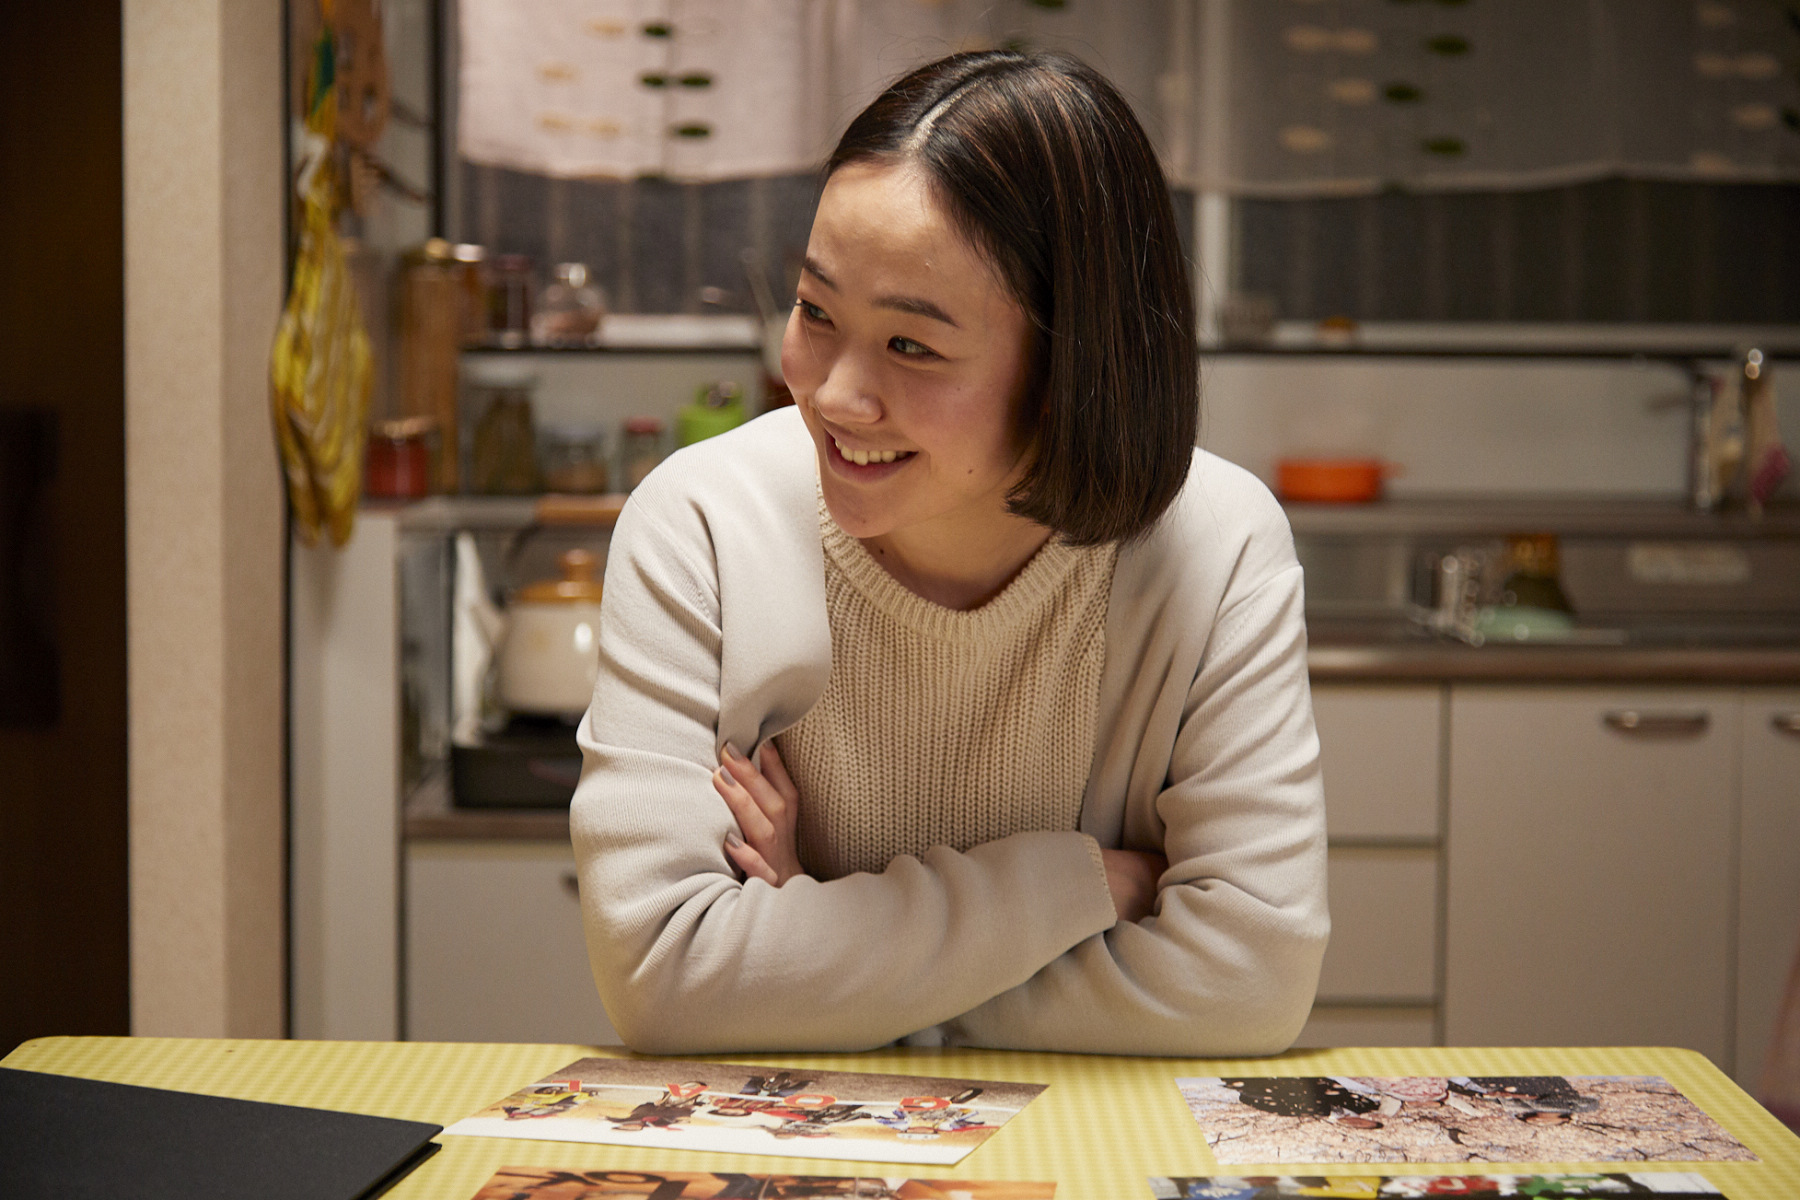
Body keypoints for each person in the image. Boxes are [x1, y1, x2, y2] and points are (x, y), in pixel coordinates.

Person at [569, 49, 1327, 1055]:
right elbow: (665, 979)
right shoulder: (701, 523)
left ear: (1071, 369)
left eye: (912, 346)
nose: (834, 394)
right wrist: (1080, 886)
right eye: (815, 312)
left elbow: (1247, 985)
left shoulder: (1216, 545)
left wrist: (818, 949)